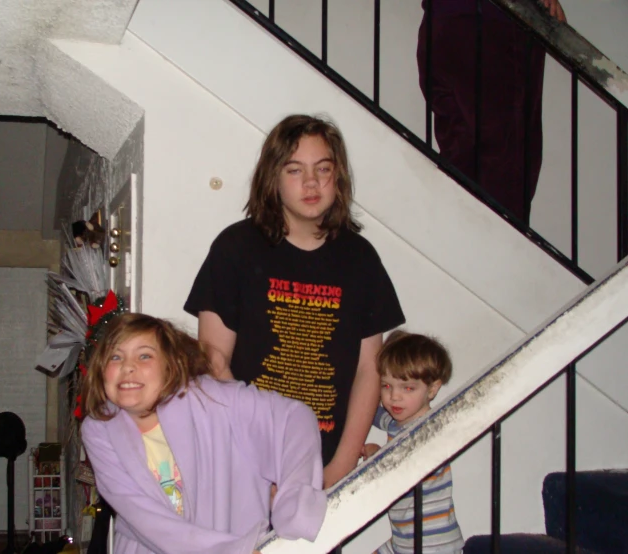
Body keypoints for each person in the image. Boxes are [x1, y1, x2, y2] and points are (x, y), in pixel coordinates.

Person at [184, 114, 405, 488]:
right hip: (245, 462)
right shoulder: (235, 249)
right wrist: (255, 465)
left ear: (338, 177)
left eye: (323, 168)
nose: (311, 182)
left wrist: (340, 467)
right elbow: (214, 363)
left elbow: (370, 369)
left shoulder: (361, 258)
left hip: (328, 462)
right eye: (294, 170)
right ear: (273, 177)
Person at [80, 313, 327, 554]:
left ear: (171, 365)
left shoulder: (213, 400)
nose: (128, 367)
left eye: (144, 355)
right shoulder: (99, 430)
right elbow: (140, 514)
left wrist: (295, 504)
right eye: (115, 357)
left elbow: (295, 419)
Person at [417, 0, 566, 224]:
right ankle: (495, 249)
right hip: (492, 22)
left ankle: (460, 240)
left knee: (463, 153)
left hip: (444, 22)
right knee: (506, 164)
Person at [362, 331, 463, 554]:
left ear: (433, 389)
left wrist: (377, 454)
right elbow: (369, 412)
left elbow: (403, 463)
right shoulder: (397, 423)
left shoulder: (431, 427)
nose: (394, 397)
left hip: (434, 545)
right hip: (404, 541)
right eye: (386, 386)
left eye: (407, 388)